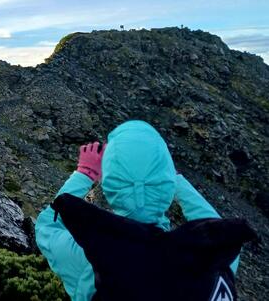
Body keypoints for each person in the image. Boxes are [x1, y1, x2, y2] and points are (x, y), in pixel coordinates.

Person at [35, 120, 249, 301]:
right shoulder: (214, 255)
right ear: (167, 184)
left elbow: (47, 225)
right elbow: (212, 224)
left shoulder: (90, 256)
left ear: (110, 185)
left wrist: (85, 172)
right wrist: (175, 179)